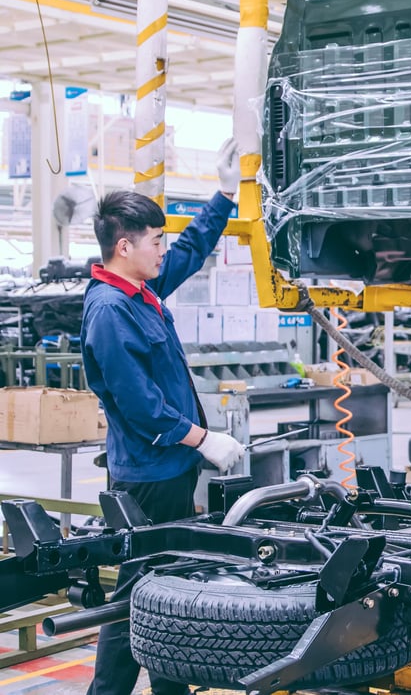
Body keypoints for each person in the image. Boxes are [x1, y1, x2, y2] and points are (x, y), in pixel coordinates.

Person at [83, 140, 246, 695]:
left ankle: (171, 688)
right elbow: (140, 406)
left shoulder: (141, 291)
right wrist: (203, 439)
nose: (163, 250)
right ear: (124, 246)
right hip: (147, 478)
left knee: (167, 585)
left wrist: (224, 194)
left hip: (169, 469)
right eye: (156, 241)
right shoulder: (111, 311)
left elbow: (192, 250)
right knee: (138, 593)